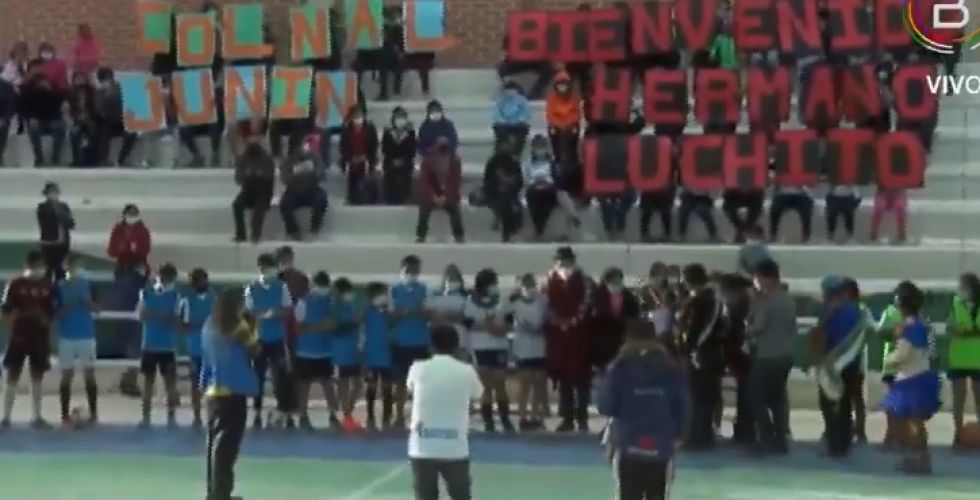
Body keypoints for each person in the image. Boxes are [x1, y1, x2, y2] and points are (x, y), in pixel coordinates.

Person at [598, 320, 689, 500]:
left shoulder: (619, 368)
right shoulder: (671, 369)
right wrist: (680, 433)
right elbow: (683, 405)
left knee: (627, 493)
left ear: (627, 339)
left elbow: (606, 405)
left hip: (628, 442)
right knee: (658, 494)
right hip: (661, 444)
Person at [407, 325, 483, 500]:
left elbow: (411, 388)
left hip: (422, 447)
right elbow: (477, 393)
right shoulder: (466, 371)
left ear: (430, 346)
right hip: (455, 448)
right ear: (456, 347)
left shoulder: (417, 368)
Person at [201, 287, 260, 500]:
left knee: (213, 444)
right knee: (227, 447)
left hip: (213, 391)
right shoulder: (237, 327)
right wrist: (254, 326)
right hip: (232, 391)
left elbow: (205, 357)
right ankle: (222, 493)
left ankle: (214, 490)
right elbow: (255, 350)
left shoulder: (209, 325)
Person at [881, 281, 942, 474]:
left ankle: (919, 459)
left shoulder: (908, 327)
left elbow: (903, 354)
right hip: (924, 375)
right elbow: (932, 352)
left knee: (912, 422)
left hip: (911, 380)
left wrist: (889, 360)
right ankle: (919, 457)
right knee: (915, 422)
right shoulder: (924, 324)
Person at [811, 275, 867, 458]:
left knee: (829, 405)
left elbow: (821, 337)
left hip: (832, 365)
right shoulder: (857, 311)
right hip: (852, 364)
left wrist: (815, 360)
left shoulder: (828, 311)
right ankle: (844, 443)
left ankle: (835, 445)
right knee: (845, 405)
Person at [745, 259, 797, 455]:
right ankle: (781, 438)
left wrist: (747, 327)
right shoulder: (788, 299)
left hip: (767, 355)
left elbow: (758, 327)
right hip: (785, 354)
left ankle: (766, 437)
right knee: (778, 399)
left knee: (756, 397)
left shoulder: (766, 300)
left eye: (756, 278)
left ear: (764, 278)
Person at [1, 249, 56, 428]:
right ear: (27, 265)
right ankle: (6, 417)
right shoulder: (15, 284)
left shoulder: (47, 285)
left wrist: (45, 320)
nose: (39, 268)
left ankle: (36, 416)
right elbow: (6, 311)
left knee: (37, 375)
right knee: (13, 374)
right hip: (20, 335)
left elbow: (51, 312)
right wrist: (14, 330)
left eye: (41, 265)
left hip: (39, 336)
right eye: (36, 265)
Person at [677, 263, 726, 450]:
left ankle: (695, 438)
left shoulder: (699, 301)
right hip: (714, 354)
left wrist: (688, 349)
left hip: (700, 354)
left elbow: (694, 330)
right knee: (708, 396)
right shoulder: (716, 300)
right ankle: (705, 436)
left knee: (697, 397)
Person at [545, 246, 593, 432]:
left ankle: (582, 417)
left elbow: (586, 303)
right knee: (564, 378)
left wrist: (573, 320)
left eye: (564, 259)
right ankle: (567, 418)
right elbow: (547, 303)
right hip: (559, 337)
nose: (561, 263)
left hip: (579, 335)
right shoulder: (550, 278)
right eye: (559, 260)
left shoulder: (584, 279)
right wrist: (558, 321)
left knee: (581, 378)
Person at [244, 253, 294, 429]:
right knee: (257, 376)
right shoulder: (251, 288)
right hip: (259, 339)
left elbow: (288, 308)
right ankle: (257, 410)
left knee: (280, 376)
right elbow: (249, 312)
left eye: (270, 267)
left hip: (277, 339)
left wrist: (276, 313)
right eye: (264, 267)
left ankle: (284, 410)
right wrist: (264, 314)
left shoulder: (281, 287)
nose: (267, 271)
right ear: (260, 268)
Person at [107, 203, 151, 397]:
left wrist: (128, 250)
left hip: (135, 281)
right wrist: (126, 248)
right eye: (130, 214)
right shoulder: (118, 230)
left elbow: (143, 251)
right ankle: (128, 376)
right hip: (124, 278)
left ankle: (131, 376)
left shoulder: (142, 231)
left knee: (136, 331)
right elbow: (113, 250)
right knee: (126, 329)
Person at [464, 269, 514, 433]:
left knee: (500, 383)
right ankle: (488, 421)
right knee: (486, 385)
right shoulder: (471, 302)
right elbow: (469, 323)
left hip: (499, 346)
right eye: (492, 283)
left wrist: (501, 329)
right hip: (481, 347)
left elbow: (509, 321)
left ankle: (505, 418)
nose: (495, 286)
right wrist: (488, 325)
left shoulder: (501, 301)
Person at [56, 254, 99, 427]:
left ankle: (94, 414)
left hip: (86, 336)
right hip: (66, 337)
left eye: (79, 265)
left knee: (90, 374)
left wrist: (88, 302)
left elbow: (98, 309)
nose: (76, 269)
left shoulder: (89, 284)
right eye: (73, 265)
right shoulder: (59, 287)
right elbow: (56, 314)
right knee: (66, 376)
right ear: (66, 267)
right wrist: (69, 306)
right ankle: (64, 415)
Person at [136, 263, 181, 428]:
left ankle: (171, 417)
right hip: (150, 344)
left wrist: (154, 315)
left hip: (167, 345)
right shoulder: (146, 293)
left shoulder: (176, 296)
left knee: (170, 383)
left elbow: (175, 320)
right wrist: (162, 316)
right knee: (148, 382)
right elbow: (141, 316)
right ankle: (146, 417)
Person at [294, 271, 340, 430]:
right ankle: (303, 415)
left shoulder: (332, 301)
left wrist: (311, 327)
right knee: (304, 385)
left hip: (325, 351)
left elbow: (332, 324)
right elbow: (298, 327)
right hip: (305, 351)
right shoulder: (303, 302)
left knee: (328, 384)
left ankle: (333, 415)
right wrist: (319, 327)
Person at [391, 255, 430, 428]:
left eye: (415, 271)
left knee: (420, 384)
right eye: (408, 270)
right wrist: (404, 313)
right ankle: (399, 415)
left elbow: (429, 314)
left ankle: (419, 417)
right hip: (400, 342)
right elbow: (390, 316)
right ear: (402, 270)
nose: (411, 274)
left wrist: (417, 312)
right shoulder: (393, 290)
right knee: (400, 382)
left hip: (420, 342)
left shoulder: (424, 290)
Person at [507, 273, 549, 431]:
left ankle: (536, 416)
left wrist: (541, 327)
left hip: (539, 347)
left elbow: (549, 317)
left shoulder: (542, 301)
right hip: (523, 348)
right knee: (525, 383)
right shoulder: (515, 303)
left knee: (539, 383)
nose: (530, 288)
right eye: (526, 285)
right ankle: (523, 416)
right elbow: (504, 318)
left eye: (532, 284)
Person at [946, 273, 980, 449]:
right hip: (958, 359)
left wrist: (968, 332)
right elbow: (949, 328)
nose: (960, 290)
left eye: (963, 286)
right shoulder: (956, 304)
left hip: (977, 359)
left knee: (978, 397)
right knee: (958, 398)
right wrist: (959, 331)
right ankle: (958, 434)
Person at [180, 268, 215, 429]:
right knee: (196, 383)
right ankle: (197, 415)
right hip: (195, 348)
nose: (200, 283)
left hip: (212, 348)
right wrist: (202, 324)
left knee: (213, 384)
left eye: (202, 279)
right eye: (197, 280)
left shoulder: (215, 299)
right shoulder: (187, 301)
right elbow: (184, 325)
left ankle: (212, 415)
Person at [416, 137, 465, 243]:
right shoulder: (427, 162)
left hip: (449, 194)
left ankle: (459, 236)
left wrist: (445, 197)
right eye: (441, 148)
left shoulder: (455, 162)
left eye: (445, 148)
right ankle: (421, 236)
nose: (443, 151)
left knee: (455, 210)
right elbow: (425, 183)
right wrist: (433, 196)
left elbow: (455, 183)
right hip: (432, 194)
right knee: (423, 209)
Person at [279, 135, 328, 241]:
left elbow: (320, 174)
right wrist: (302, 173)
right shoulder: (288, 160)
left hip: (311, 189)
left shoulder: (315, 156)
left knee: (321, 198)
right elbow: (285, 179)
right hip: (293, 192)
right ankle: (293, 231)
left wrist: (301, 174)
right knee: (284, 205)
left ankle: (314, 228)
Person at [591, 268, 640, 373]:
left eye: (619, 280)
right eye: (614, 281)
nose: (617, 283)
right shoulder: (597, 296)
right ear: (607, 282)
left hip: (623, 336)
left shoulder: (629, 297)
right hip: (604, 337)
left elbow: (634, 315)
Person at [332, 278, 364, 433]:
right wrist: (353, 324)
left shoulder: (353, 306)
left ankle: (348, 412)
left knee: (358, 384)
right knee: (343, 383)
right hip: (341, 351)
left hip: (354, 350)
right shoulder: (334, 308)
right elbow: (334, 329)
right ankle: (345, 416)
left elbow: (359, 325)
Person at [232, 128, 275, 243]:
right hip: (248, 190)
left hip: (264, 191)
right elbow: (238, 179)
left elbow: (268, 177)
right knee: (237, 205)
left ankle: (256, 235)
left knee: (259, 209)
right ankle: (241, 234)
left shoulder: (266, 158)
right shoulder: (243, 159)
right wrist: (249, 176)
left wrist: (253, 175)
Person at [20, 59, 66, 166]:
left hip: (52, 118)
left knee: (60, 127)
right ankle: (39, 159)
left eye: (40, 67)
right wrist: (30, 117)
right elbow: (22, 105)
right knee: (33, 128)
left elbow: (58, 102)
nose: (38, 70)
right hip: (35, 119)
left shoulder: (51, 83)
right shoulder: (25, 85)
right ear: (30, 70)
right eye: (35, 68)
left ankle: (55, 159)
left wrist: (50, 90)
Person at [363, 282, 394, 430]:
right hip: (371, 356)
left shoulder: (389, 313)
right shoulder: (367, 312)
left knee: (387, 387)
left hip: (387, 355)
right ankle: (370, 416)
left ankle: (387, 417)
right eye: (381, 294)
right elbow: (362, 332)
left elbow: (394, 324)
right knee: (371, 387)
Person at [94, 67, 138, 167]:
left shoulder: (120, 88)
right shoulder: (98, 92)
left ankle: (121, 160)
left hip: (122, 121)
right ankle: (104, 161)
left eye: (109, 78)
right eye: (104, 79)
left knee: (131, 133)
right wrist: (106, 96)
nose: (108, 81)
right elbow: (99, 110)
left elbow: (130, 104)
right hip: (107, 123)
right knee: (102, 134)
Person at [481, 138, 524, 242]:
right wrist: (497, 187)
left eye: (508, 145)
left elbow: (519, 181)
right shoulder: (492, 161)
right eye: (504, 145)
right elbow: (487, 179)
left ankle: (508, 231)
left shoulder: (514, 162)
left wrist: (510, 186)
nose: (505, 148)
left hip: (510, 192)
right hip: (495, 191)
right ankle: (501, 219)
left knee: (510, 206)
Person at [340, 105, 381, 205]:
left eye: (360, 116)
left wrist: (365, 157)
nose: (358, 119)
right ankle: (353, 197)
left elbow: (374, 146)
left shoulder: (370, 128)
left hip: (367, 158)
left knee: (368, 170)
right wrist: (351, 158)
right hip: (351, 159)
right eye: (355, 116)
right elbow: (343, 147)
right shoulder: (346, 130)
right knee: (351, 170)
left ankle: (371, 198)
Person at [523, 135, 561, 241]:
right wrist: (535, 183)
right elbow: (526, 179)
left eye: (542, 146)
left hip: (549, 188)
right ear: (533, 148)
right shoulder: (527, 162)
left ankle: (538, 231)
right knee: (534, 198)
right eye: (537, 146)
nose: (540, 149)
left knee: (546, 199)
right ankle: (538, 230)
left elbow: (556, 178)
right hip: (534, 188)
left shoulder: (553, 161)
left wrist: (546, 183)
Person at [425, 265, 468, 354]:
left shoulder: (466, 299)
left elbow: (468, 317)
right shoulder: (436, 298)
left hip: (460, 342)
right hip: (438, 343)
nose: (452, 282)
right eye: (449, 279)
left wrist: (452, 316)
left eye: (454, 279)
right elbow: (429, 317)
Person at [37, 182, 75, 281]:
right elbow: (46, 222)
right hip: (49, 243)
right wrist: (57, 211)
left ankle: (60, 287)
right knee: (48, 269)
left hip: (63, 243)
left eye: (55, 192)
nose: (53, 195)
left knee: (61, 270)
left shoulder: (64, 206)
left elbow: (70, 223)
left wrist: (66, 219)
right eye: (51, 192)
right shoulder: (42, 207)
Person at [381, 106, 418, 205]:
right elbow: (385, 149)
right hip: (390, 161)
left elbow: (412, 150)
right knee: (389, 172)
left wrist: (402, 160)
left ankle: (406, 198)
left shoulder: (410, 132)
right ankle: (389, 198)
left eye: (402, 117)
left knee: (406, 172)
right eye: (397, 117)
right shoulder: (387, 132)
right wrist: (394, 160)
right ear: (393, 119)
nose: (400, 120)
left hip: (406, 161)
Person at [545, 70, 582, 165]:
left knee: (573, 132)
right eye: (560, 85)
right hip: (557, 125)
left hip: (570, 125)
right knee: (553, 132)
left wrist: (567, 124)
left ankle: (572, 159)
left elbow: (576, 114)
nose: (562, 88)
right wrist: (560, 125)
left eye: (564, 85)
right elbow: (550, 114)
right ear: (556, 86)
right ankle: (558, 158)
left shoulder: (574, 98)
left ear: (568, 86)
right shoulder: (551, 98)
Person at [67, 72, 98, 167]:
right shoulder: (70, 93)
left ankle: (91, 160)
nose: (80, 80)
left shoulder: (92, 91)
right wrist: (76, 116)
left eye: (82, 78)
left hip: (90, 119)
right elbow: (70, 109)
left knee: (92, 133)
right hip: (77, 120)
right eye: (77, 79)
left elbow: (96, 107)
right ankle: (76, 160)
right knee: (74, 134)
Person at [492, 80, 531, 154]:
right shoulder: (500, 99)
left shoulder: (522, 100)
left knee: (523, 130)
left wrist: (519, 120)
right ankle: (500, 153)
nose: (510, 92)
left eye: (512, 90)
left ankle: (517, 153)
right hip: (504, 123)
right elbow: (496, 113)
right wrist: (503, 121)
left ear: (517, 91)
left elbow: (526, 113)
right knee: (500, 132)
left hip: (518, 123)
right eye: (508, 91)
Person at [0, 75, 15, 166]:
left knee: (3, 128)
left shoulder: (7, 87)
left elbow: (11, 105)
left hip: (2, 119)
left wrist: (4, 118)